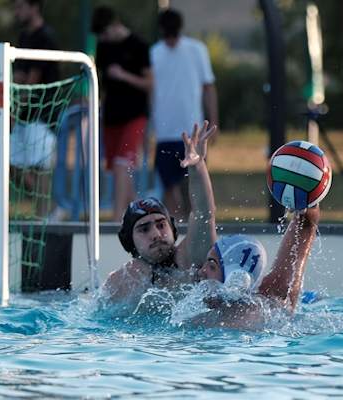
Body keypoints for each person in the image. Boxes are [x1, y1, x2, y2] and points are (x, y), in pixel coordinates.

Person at [101, 121, 217, 309]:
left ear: (172, 229)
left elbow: (204, 213)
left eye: (161, 225)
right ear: (129, 241)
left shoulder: (189, 259)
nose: (156, 233)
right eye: (144, 229)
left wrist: (197, 165)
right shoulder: (120, 282)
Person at [191, 207, 320, 329]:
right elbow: (305, 227)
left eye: (212, 266)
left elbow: (304, 229)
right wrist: (306, 207)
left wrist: (308, 207)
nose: (201, 271)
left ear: (236, 276)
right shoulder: (273, 306)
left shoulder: (202, 323)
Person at [150, 8, 219, 219]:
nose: (170, 40)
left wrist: (214, 121)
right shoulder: (154, 53)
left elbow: (208, 88)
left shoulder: (197, 50)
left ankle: (194, 225)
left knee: (194, 187)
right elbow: (150, 92)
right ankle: (177, 226)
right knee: (169, 186)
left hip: (192, 133)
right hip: (165, 132)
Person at [91, 6, 153, 221]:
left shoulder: (139, 46)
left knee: (121, 164)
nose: (105, 38)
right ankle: (140, 216)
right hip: (111, 116)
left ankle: (117, 220)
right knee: (119, 169)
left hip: (134, 114)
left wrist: (124, 75)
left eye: (106, 33)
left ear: (115, 24)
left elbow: (149, 83)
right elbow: (102, 84)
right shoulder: (103, 46)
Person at [11, 0, 61, 219]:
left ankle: (45, 218)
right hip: (23, 116)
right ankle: (50, 209)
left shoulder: (45, 38)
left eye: (21, 6)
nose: (17, 10)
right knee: (11, 167)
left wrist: (12, 110)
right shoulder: (23, 37)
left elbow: (31, 80)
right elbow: (18, 76)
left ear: (35, 7)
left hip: (42, 116)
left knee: (41, 169)